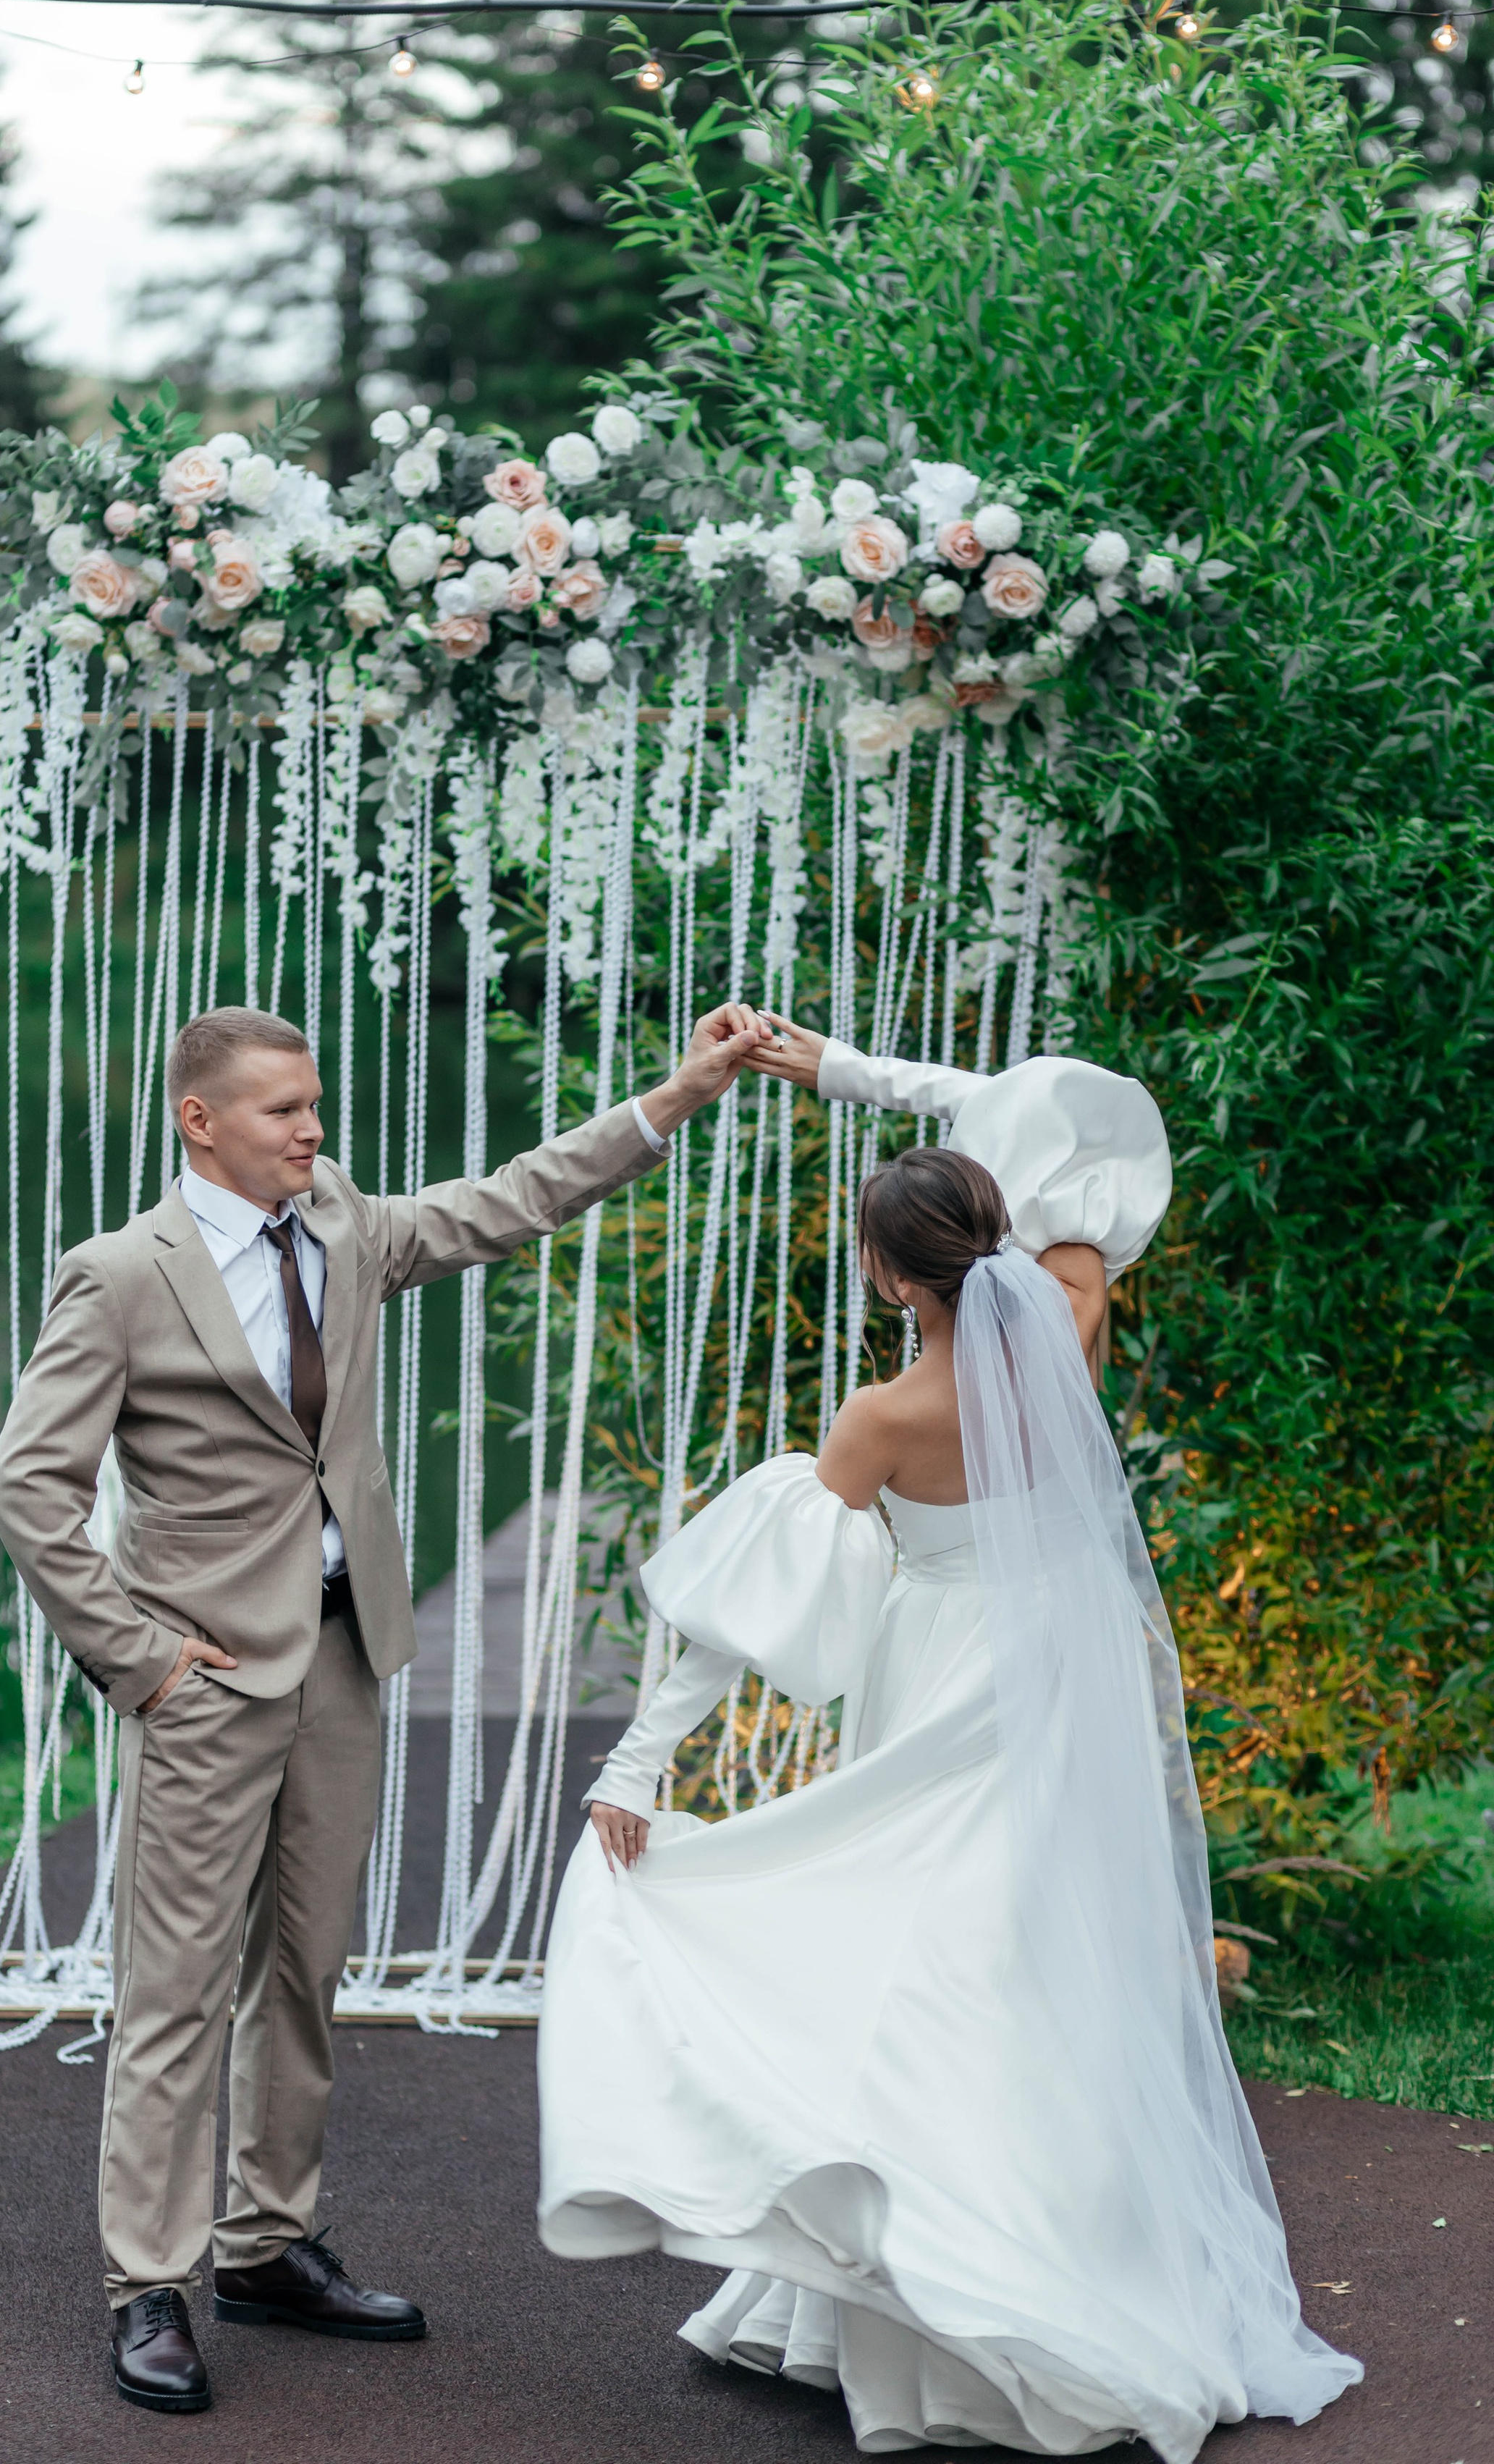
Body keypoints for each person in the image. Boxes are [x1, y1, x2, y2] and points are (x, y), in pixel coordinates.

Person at [537, 1032, 1362, 2460]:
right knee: (1027, 1967)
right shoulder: (1075, 1324)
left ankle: (935, 2301)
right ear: (1006, 1227)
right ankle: (1034, 2276)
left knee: (911, 1965)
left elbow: (743, 1615)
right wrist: (856, 1071)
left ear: (884, 1276)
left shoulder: (883, 1416)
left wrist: (636, 1764)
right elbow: (1066, 1103)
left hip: (934, 1690)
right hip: (1059, 1684)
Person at [0, 997, 762, 2415]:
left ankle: (264, 2243)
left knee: (304, 1969)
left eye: (315, 1103)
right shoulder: (120, 1276)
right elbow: (28, 1489)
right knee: (174, 1993)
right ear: (199, 1121)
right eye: (283, 1109)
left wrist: (674, 1099)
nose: (313, 1128)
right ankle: (147, 2283)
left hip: (344, 1662)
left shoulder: (340, 1221)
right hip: (204, 1683)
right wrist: (142, 1660)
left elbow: (507, 1202)